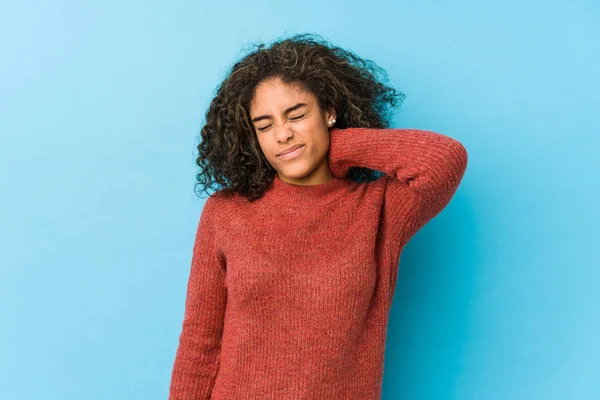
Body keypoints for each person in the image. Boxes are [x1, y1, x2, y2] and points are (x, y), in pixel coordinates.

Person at [168, 33, 468, 399]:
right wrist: (309, 139)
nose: (283, 134)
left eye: (297, 115)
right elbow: (200, 342)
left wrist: (335, 145)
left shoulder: (379, 210)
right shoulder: (226, 212)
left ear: (329, 111)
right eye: (265, 126)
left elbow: (443, 159)